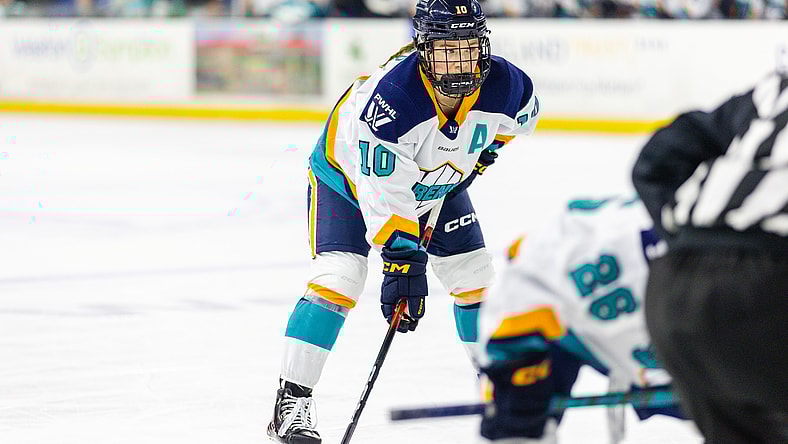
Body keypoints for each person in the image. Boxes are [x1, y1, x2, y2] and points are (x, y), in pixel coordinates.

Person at [266, 0, 541, 442]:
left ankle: (497, 387)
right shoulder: (391, 102)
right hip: (348, 181)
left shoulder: (510, 87)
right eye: (445, 49)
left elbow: (513, 125)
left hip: (436, 179)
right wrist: (401, 262)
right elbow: (384, 196)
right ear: (422, 48)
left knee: (475, 277)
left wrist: (481, 156)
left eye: (467, 47)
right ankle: (292, 400)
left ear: (484, 44)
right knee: (340, 277)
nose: (458, 61)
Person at [632, 70, 788, 444]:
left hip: (675, 294)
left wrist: (692, 239)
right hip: (770, 291)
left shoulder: (777, 88)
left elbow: (657, 160)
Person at [477, 196, 685, 444]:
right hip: (568, 325)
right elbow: (529, 270)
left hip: (685, 353)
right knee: (515, 422)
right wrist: (515, 374)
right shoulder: (594, 243)